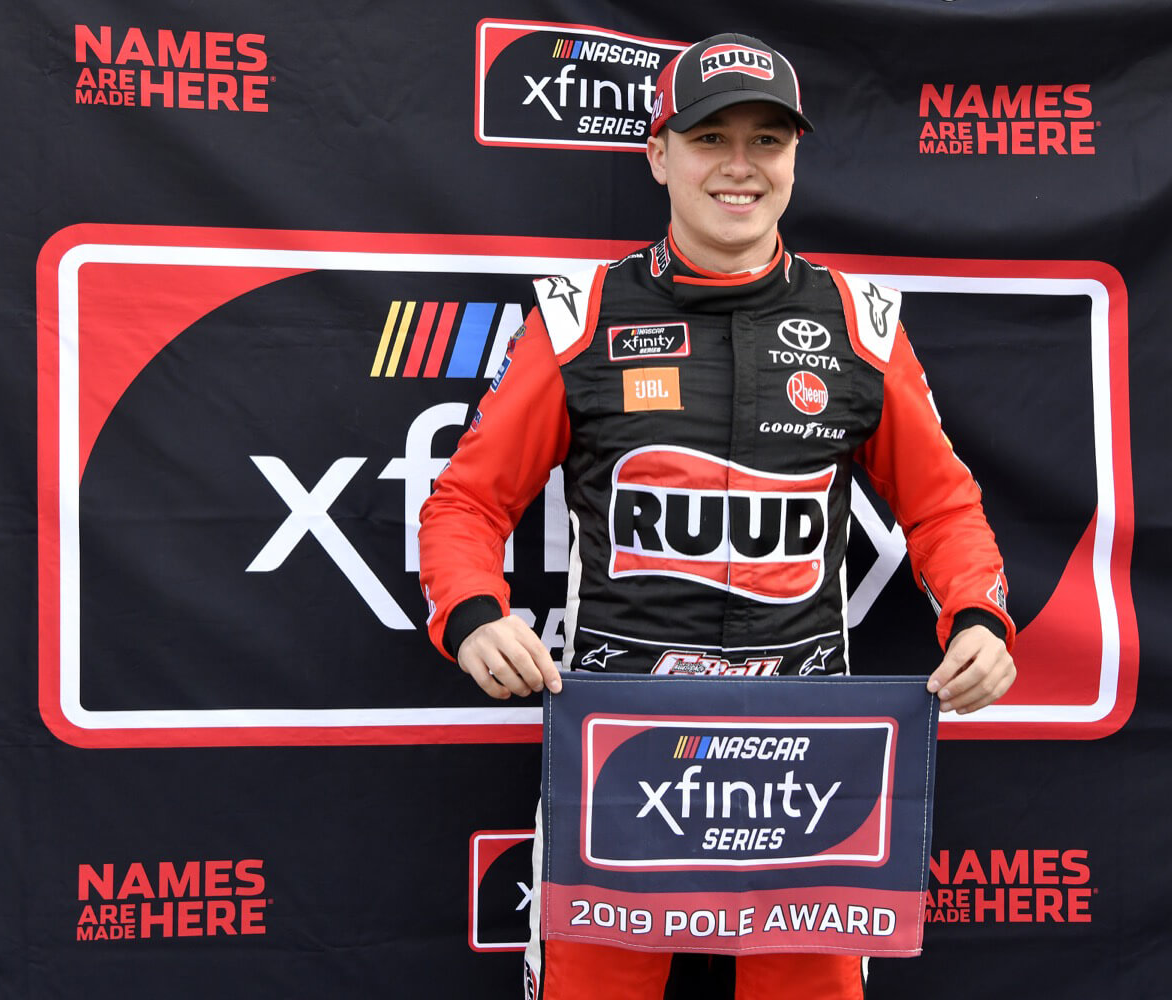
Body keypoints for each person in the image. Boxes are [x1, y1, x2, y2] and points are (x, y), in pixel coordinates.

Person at [418, 32, 1016, 1000]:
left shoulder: (860, 323)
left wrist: (979, 614)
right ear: (658, 154)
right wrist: (474, 613)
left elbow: (944, 505)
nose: (740, 166)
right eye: (709, 138)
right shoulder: (580, 315)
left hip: (809, 748)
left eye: (766, 140)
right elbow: (467, 502)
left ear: (793, 159)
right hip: (620, 738)